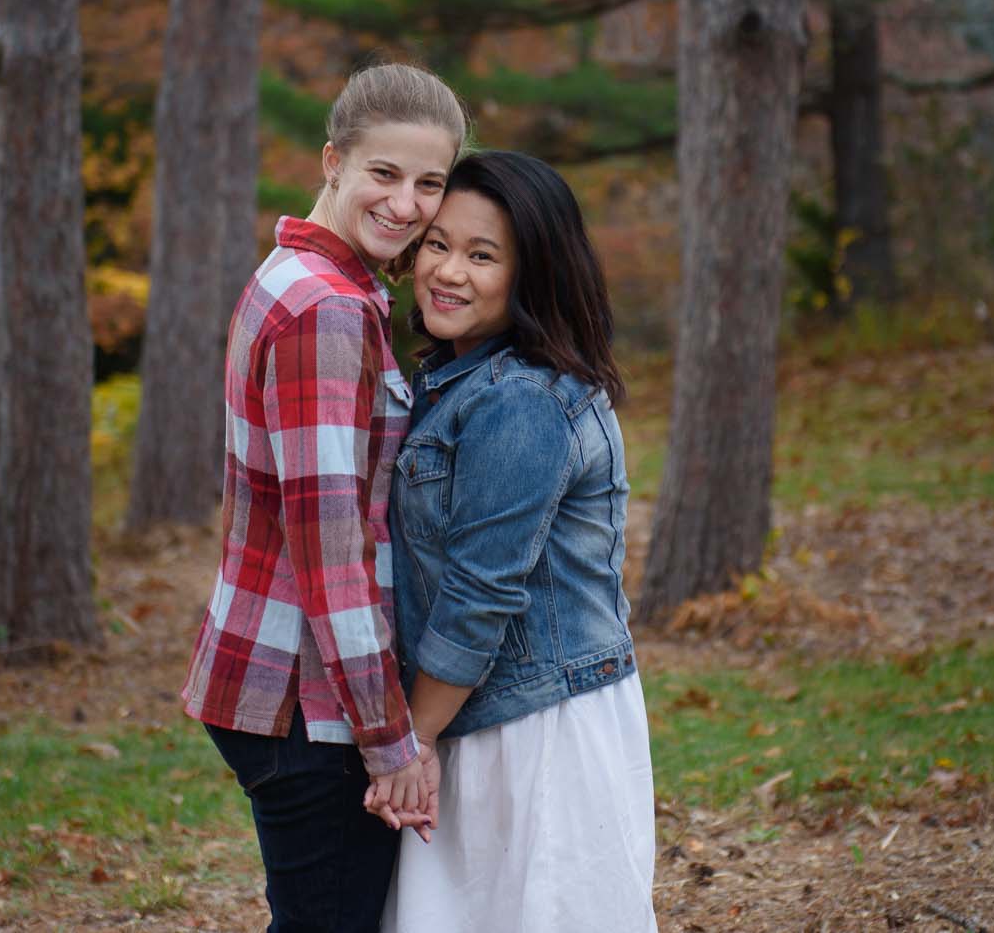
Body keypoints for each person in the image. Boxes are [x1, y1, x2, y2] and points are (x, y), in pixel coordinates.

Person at [181, 62, 468, 933]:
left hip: (282, 680)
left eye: (431, 182)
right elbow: (332, 553)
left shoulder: (299, 275)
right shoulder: (327, 312)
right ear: (333, 159)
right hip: (306, 703)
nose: (408, 204)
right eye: (385, 173)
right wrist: (392, 744)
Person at [377, 151, 658, 933]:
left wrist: (412, 742)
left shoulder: (521, 400)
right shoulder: (461, 379)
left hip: (535, 729)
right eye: (438, 244)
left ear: (532, 274)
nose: (448, 272)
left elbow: (479, 592)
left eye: (482, 254)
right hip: (477, 708)